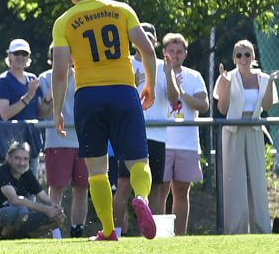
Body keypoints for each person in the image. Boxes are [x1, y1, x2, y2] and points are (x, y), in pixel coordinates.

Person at [50, 0, 158, 242]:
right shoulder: (121, 10)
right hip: (123, 91)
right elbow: (146, 50)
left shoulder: (64, 21)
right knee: (138, 160)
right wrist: (150, 85)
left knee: (97, 169)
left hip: (88, 96)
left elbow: (61, 72)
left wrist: (58, 110)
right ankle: (143, 199)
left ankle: (109, 230)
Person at [112, 25, 177, 234]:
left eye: (149, 38)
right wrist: (130, 83)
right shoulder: (124, 64)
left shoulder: (163, 66)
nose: (144, 41)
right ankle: (116, 233)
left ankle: (153, 234)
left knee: (156, 187)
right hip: (130, 133)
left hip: (157, 136)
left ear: (155, 42)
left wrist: (168, 74)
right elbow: (115, 99)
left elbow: (175, 100)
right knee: (123, 185)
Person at [213, 40, 276, 235]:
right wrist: (224, 84)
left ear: (253, 57)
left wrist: (272, 83)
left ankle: (261, 228)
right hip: (232, 131)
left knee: (257, 180)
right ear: (234, 58)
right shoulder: (227, 77)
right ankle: (235, 230)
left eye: (247, 54)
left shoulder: (264, 78)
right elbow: (222, 109)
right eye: (239, 55)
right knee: (234, 181)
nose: (243, 59)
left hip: (255, 129)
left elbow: (266, 107)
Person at [38, 44, 89, 238]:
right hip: (57, 141)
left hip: (83, 141)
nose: (66, 60)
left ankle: (78, 231)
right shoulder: (44, 78)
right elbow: (41, 113)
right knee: (56, 189)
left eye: (69, 56)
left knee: (82, 189)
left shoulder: (84, 75)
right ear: (52, 58)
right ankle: (55, 232)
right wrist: (51, 92)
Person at [161, 33, 209, 235]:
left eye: (179, 51)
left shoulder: (194, 76)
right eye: (171, 51)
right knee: (159, 191)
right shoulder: (156, 71)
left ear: (185, 54)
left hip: (187, 143)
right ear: (164, 52)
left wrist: (183, 93)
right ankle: (158, 235)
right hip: (161, 141)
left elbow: (204, 105)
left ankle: (179, 237)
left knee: (181, 192)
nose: (175, 55)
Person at [0, 141, 63, 239]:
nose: (22, 163)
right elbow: (15, 200)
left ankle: (55, 239)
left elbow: (46, 200)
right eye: (17, 158)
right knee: (21, 210)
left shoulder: (27, 174)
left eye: (25, 159)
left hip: (17, 221)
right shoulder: (1, 173)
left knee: (56, 217)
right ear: (9, 158)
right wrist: (47, 210)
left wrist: (56, 209)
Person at [0, 38, 45, 121]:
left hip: (32, 133)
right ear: (9, 56)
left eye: (24, 53)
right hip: (11, 133)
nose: (20, 57)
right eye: (16, 53)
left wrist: (50, 99)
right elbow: (5, 114)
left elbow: (41, 114)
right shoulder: (3, 80)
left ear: (28, 56)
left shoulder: (32, 78)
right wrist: (28, 96)